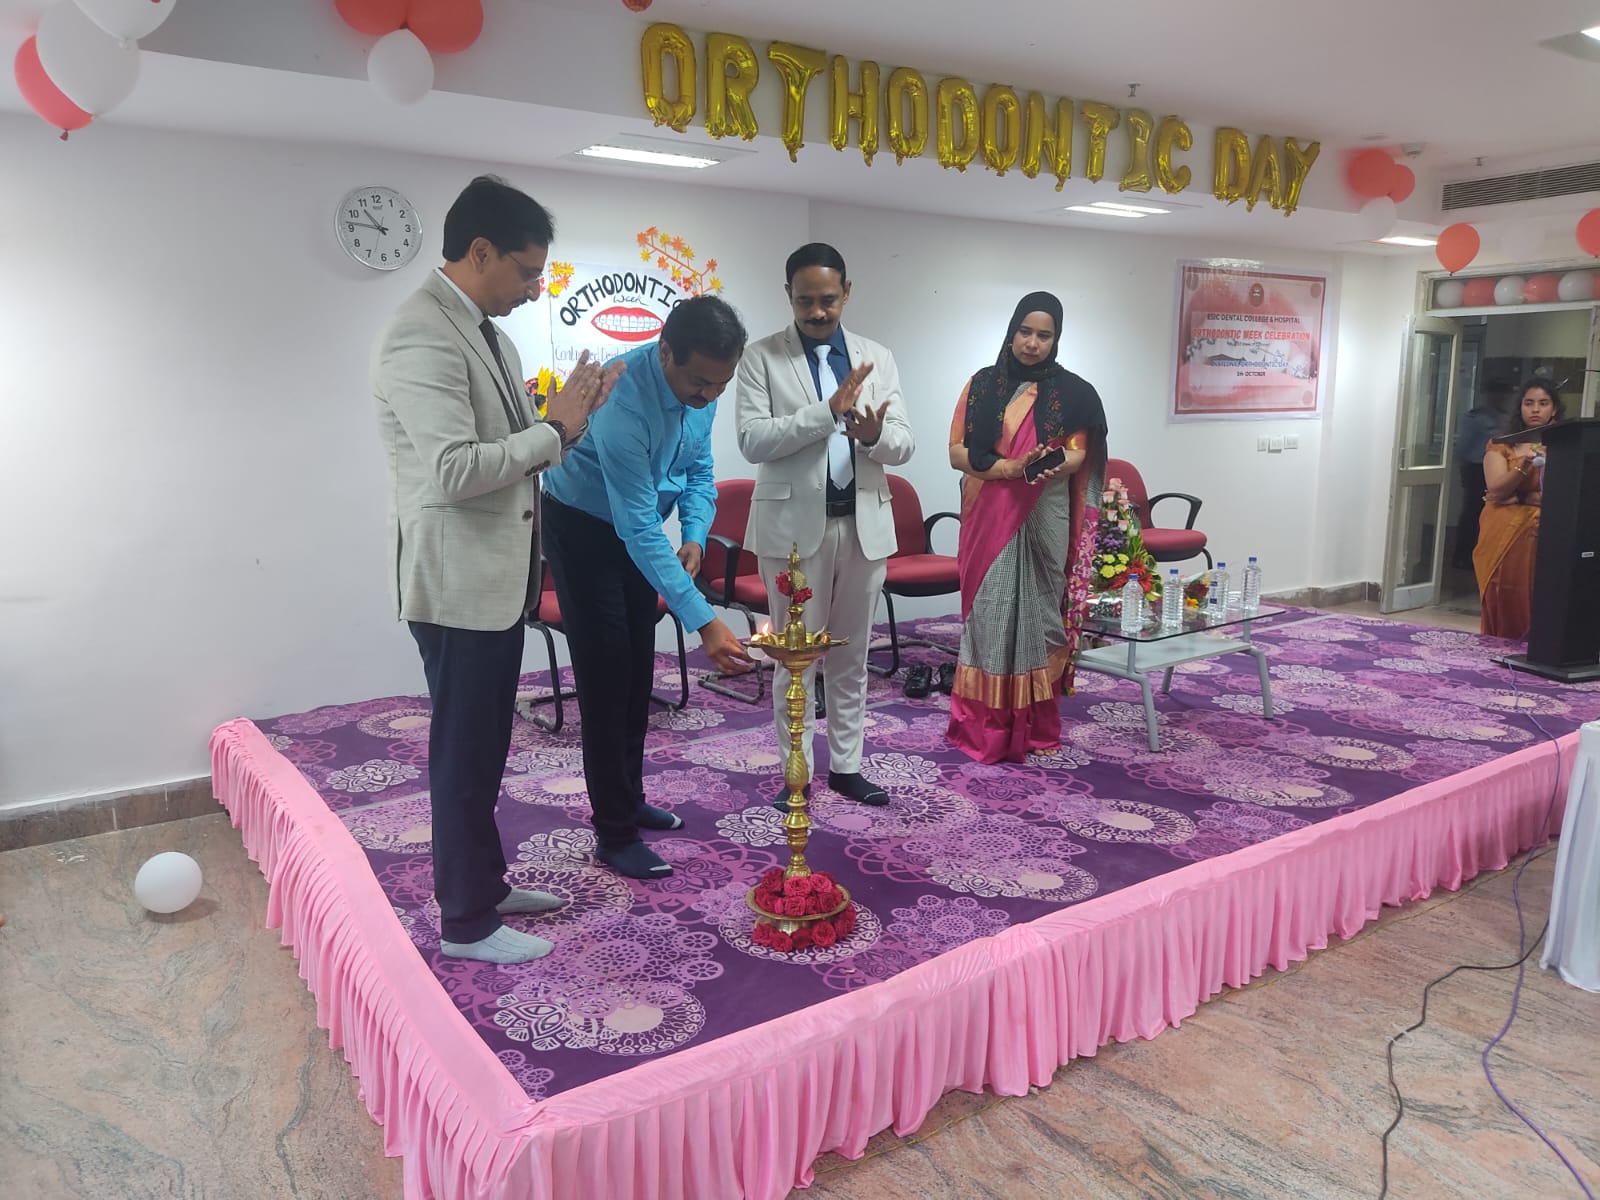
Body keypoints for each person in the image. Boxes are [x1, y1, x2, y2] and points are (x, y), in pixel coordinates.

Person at [372, 175, 620, 964]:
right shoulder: (421, 333)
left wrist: (570, 426)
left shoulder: (489, 335)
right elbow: (454, 470)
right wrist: (555, 428)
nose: (535, 288)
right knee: (463, 753)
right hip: (456, 583)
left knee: (484, 747)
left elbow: (514, 455)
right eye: (526, 270)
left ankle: (485, 882)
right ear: (480, 252)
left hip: (495, 576)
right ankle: (466, 923)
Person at [541, 296, 757, 880]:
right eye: (699, 382)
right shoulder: (622, 399)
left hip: (637, 526)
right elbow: (635, 525)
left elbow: (699, 470)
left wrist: (695, 534)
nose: (709, 395)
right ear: (665, 353)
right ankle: (613, 834)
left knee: (638, 665)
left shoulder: (703, 385)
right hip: (582, 526)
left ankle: (630, 798)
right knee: (606, 674)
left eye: (721, 384)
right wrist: (705, 619)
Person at [735, 243, 915, 808]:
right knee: (795, 659)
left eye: (829, 300)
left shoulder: (877, 356)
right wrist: (826, 412)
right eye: (805, 301)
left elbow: (904, 442)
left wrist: (874, 436)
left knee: (851, 655)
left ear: (847, 293)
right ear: (788, 296)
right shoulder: (761, 357)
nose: (817, 312)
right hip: (791, 530)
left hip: (863, 526)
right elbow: (752, 440)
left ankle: (847, 766)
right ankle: (798, 771)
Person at [945, 291, 1107, 764]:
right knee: (990, 615)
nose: (1033, 343)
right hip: (990, 511)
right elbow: (956, 452)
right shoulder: (982, 385)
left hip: (1044, 510)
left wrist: (1042, 465)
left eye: (1044, 335)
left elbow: (1079, 454)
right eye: (1025, 332)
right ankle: (983, 726)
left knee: (1041, 611)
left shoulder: (1075, 393)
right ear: (1012, 331)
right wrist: (1009, 469)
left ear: (1056, 339)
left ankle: (1034, 724)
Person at [1473, 380, 1565, 639]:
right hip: (1501, 533)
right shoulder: (1502, 445)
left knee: (1540, 596)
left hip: (1545, 536)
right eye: (1529, 403)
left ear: (1554, 409)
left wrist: (1522, 496)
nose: (1535, 409)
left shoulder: (1564, 447)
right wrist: (1524, 465)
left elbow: (1563, 496)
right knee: (1501, 590)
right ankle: (1500, 648)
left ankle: (1535, 649)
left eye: (1543, 403)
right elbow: (1497, 490)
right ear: (1520, 407)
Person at [1451, 378, 1511, 570]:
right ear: (1487, 395)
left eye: (1503, 394)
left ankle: (1484, 556)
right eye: (1495, 393)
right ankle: (1462, 556)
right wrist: (1464, 469)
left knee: (1492, 513)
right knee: (1472, 512)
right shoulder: (1475, 417)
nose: (1500, 398)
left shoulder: (1505, 417)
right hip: (1476, 469)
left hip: (1500, 468)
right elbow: (1463, 447)